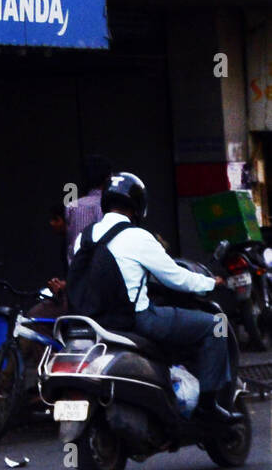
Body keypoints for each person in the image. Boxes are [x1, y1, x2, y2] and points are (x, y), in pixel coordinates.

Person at [71, 172, 234, 422]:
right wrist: (211, 283)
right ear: (137, 206)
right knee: (215, 327)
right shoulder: (138, 237)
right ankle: (208, 406)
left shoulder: (84, 236)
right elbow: (176, 278)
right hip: (138, 320)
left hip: (93, 322)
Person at [65, 154, 111, 266]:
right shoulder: (111, 205)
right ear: (108, 178)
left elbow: (71, 245)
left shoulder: (71, 206)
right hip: (105, 270)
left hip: (78, 272)